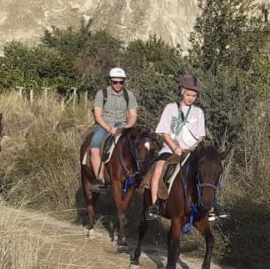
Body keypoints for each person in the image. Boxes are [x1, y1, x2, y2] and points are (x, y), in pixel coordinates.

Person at [146, 73, 219, 220]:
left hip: (191, 151)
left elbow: (200, 136)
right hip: (170, 149)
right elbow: (164, 132)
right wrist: (175, 147)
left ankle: (212, 206)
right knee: (159, 167)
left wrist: (193, 148)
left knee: (210, 170)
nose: (190, 98)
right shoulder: (170, 108)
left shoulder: (198, 112)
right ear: (182, 92)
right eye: (188, 94)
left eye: (194, 95)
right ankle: (154, 205)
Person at [89, 67, 138, 191]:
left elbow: (133, 115)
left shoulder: (129, 95)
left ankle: (138, 176)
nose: (118, 85)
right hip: (104, 126)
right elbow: (97, 115)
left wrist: (127, 126)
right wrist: (108, 128)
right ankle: (100, 180)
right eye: (115, 82)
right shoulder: (102, 94)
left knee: (139, 146)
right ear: (110, 81)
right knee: (94, 148)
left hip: (123, 126)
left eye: (121, 82)